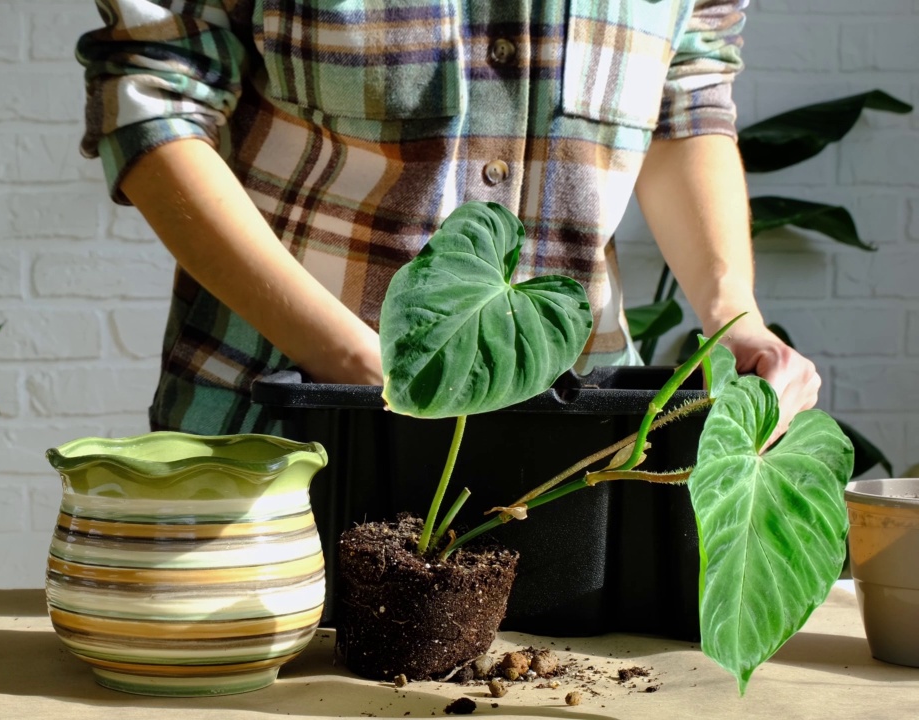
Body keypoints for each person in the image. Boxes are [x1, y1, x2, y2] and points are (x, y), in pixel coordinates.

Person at [76, 0, 819, 438]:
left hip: (566, 447)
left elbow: (687, 97)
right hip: (278, 417)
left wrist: (736, 319)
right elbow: (155, 99)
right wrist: (361, 365)